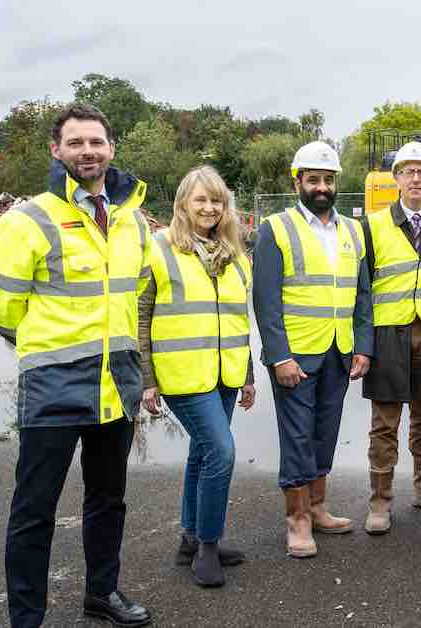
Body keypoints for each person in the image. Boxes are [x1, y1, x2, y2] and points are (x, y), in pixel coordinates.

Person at [0, 103, 152, 627]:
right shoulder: (26, 221)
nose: (87, 151)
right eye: (75, 143)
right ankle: (26, 617)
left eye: (95, 142)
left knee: (108, 500)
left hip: (115, 383)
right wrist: (38, 344)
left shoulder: (131, 219)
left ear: (111, 148)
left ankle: (102, 593)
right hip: (53, 386)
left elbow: (135, 290)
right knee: (34, 512)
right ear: (56, 151)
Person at [253, 141, 372, 557]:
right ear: (298, 181)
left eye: (328, 179)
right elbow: (265, 301)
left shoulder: (353, 230)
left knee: (325, 432)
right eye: (313, 179)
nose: (321, 187)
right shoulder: (276, 227)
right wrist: (279, 356)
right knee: (298, 436)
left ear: (336, 183)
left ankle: (318, 507)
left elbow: (362, 295)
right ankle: (297, 520)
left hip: (339, 351)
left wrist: (363, 346)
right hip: (296, 355)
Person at [138, 166, 255, 587]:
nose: (209, 208)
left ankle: (189, 538)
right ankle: (208, 544)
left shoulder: (236, 254)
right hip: (182, 374)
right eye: (201, 200)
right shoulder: (159, 248)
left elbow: (240, 318)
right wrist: (146, 379)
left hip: (224, 373)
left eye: (217, 201)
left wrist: (246, 374)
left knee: (202, 455)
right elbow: (141, 316)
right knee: (221, 453)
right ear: (183, 203)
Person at [360, 141, 421, 535]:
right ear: (396, 178)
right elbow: (363, 290)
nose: (416, 178)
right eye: (408, 171)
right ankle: (380, 502)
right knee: (384, 424)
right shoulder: (373, 226)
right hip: (388, 335)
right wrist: (362, 344)